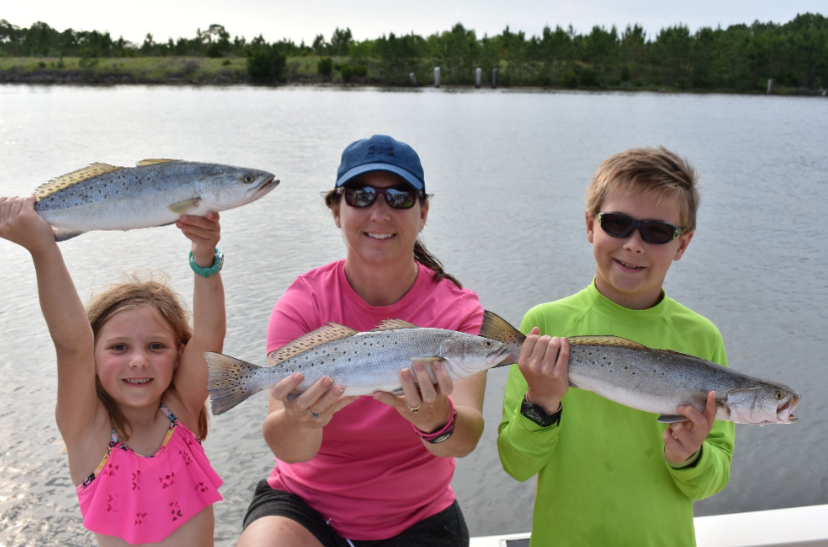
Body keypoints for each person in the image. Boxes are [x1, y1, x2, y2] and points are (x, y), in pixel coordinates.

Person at [237, 135, 484, 547]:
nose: (380, 213)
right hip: (304, 509)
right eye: (361, 195)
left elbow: (466, 437)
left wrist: (434, 419)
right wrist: (301, 419)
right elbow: (286, 448)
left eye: (400, 197)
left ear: (423, 212)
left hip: (420, 516)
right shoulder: (302, 303)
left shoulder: (458, 312)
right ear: (337, 210)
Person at [497, 147, 736, 546]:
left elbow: (712, 480)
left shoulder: (702, 337)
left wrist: (691, 457)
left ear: (683, 244)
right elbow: (516, 464)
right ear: (591, 225)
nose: (634, 244)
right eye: (618, 223)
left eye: (657, 231)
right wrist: (540, 405)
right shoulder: (544, 328)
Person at [0, 195, 226, 546]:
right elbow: (72, 345)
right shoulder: (88, 432)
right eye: (119, 347)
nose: (138, 360)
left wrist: (205, 255)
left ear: (180, 356)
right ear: (93, 359)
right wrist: (43, 249)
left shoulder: (181, 413)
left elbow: (210, 335)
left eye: (156, 346)